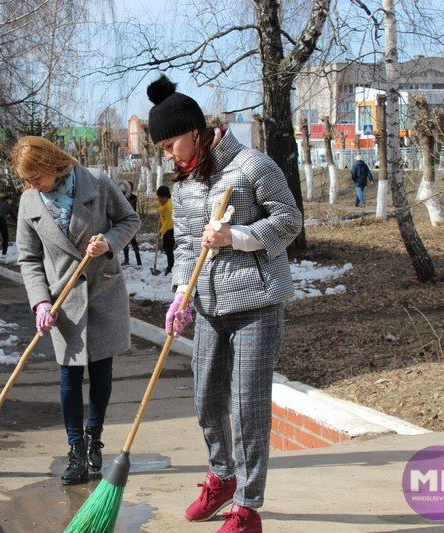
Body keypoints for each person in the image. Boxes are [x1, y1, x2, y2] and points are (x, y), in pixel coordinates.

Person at [147, 75, 302, 533]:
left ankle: (248, 507)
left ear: (195, 131)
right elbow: (189, 248)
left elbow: (290, 221)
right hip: (211, 306)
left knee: (248, 406)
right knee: (206, 398)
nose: (168, 154)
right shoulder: (186, 183)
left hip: (256, 303)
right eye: (162, 148)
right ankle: (222, 478)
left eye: (170, 143)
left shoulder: (253, 166)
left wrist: (237, 237)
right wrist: (181, 294)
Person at [13, 136, 140, 485]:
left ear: (51, 165)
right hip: (62, 303)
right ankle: (75, 451)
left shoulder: (95, 183)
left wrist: (108, 243)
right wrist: (40, 301)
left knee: (101, 374)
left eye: (36, 176)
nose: (32, 184)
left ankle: (93, 438)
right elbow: (28, 258)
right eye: (28, 179)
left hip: (103, 293)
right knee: (69, 378)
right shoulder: (29, 202)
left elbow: (130, 220)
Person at [118, 180, 142, 266]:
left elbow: (130, 208)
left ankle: (139, 261)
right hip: (124, 223)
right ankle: (126, 260)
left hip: (132, 224)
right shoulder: (123, 198)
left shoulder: (133, 198)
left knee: (134, 242)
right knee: (125, 243)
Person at [156, 185, 174, 275]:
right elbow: (159, 210)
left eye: (162, 197)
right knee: (166, 248)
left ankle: (171, 267)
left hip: (170, 229)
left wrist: (161, 232)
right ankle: (170, 265)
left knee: (168, 249)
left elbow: (168, 221)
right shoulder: (161, 202)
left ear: (167, 197)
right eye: (159, 197)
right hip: (165, 227)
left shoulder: (168, 206)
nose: (160, 199)